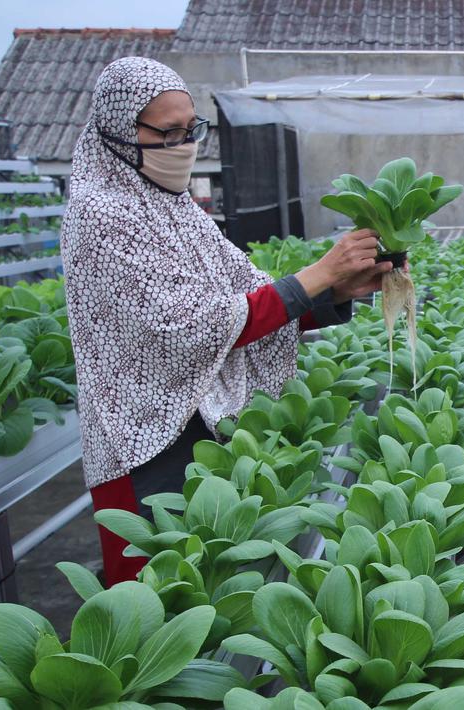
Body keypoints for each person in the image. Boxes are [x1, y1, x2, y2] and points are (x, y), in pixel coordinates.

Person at [59, 57, 392, 585]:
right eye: (167, 132)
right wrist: (318, 273)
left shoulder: (177, 207)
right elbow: (191, 327)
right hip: (143, 436)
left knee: (216, 584)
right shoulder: (100, 213)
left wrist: (334, 290)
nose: (184, 145)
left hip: (206, 419)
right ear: (119, 129)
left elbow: (247, 301)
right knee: (157, 592)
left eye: (190, 129)